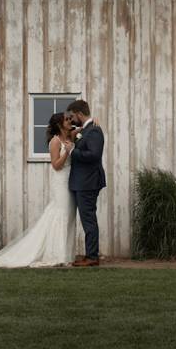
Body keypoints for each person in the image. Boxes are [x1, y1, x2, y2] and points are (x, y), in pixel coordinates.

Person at [0, 112, 77, 268]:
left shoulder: (70, 136)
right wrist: (66, 152)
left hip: (70, 182)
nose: (69, 121)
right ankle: (57, 255)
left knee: (69, 214)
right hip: (60, 182)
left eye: (69, 119)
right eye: (66, 119)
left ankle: (66, 254)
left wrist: (91, 122)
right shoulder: (55, 142)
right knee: (61, 214)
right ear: (59, 124)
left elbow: (82, 128)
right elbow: (56, 165)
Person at [65, 99, 106, 267]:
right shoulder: (85, 130)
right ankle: (90, 254)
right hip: (81, 182)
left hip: (88, 182)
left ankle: (92, 257)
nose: (71, 120)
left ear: (80, 114)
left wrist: (74, 151)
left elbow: (94, 155)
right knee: (87, 218)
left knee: (88, 219)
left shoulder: (94, 131)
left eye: (73, 116)